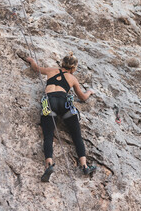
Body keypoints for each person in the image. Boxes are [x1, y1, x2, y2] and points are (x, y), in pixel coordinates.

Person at [25, 52, 96, 182]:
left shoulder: (51, 70)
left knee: (48, 135)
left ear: (62, 63)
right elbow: (82, 97)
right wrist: (90, 92)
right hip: (65, 103)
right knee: (76, 135)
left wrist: (31, 60)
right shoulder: (72, 79)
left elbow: (36, 69)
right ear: (73, 68)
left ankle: (49, 165)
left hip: (49, 102)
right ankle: (85, 166)